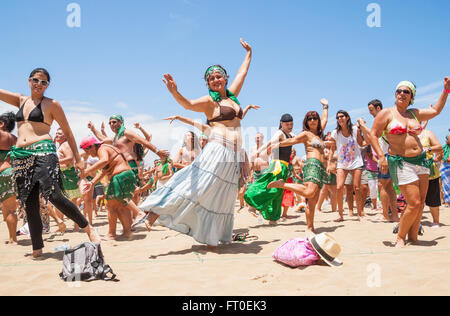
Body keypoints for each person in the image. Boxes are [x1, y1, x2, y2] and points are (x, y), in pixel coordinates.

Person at [134, 39, 253, 251]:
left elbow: (242, 74)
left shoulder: (233, 97)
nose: (215, 80)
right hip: (217, 148)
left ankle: (211, 237)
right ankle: (155, 211)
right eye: (211, 78)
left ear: (225, 79)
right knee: (197, 184)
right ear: (208, 84)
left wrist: (249, 53)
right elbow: (188, 104)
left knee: (221, 196)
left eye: (219, 76)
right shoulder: (210, 101)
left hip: (232, 155)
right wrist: (174, 92)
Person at [0, 68, 100, 258]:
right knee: (29, 204)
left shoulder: (52, 105)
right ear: (29, 81)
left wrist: (79, 160)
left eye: (44, 82)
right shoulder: (21, 100)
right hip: (21, 156)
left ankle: (87, 227)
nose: (39, 84)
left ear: (47, 85)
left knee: (53, 194)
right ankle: (37, 249)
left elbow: (68, 132)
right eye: (36, 80)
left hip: (43, 151)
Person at [368, 78, 449, 248]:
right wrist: (381, 157)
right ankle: (400, 237)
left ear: (411, 96)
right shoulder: (386, 114)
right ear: (395, 94)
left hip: (421, 162)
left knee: (420, 203)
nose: (402, 94)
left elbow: (436, 111)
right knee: (414, 202)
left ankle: (413, 237)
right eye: (399, 91)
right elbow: (373, 134)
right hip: (401, 162)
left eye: (406, 91)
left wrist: (446, 91)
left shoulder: (413, 113)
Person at [267, 101, 330, 234]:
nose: (313, 120)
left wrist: (325, 106)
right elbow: (290, 141)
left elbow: (324, 118)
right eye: (309, 119)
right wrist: (275, 144)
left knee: (312, 201)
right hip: (311, 164)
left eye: (315, 118)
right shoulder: (305, 134)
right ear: (306, 122)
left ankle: (310, 228)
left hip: (320, 168)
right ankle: (282, 184)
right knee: (308, 192)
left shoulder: (319, 134)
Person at [80, 136, 141, 240]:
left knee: (111, 206)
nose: (89, 154)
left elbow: (104, 160)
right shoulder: (107, 149)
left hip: (120, 176)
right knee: (121, 206)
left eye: (88, 150)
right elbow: (104, 171)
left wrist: (87, 170)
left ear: (92, 146)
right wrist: (92, 182)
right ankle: (127, 233)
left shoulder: (102, 148)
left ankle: (111, 234)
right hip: (126, 175)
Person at [244, 113, 295, 224]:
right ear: (281, 124)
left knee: (278, 192)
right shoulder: (280, 133)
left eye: (291, 124)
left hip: (284, 166)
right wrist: (259, 151)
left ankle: (273, 218)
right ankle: (252, 203)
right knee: (273, 189)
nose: (290, 126)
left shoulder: (291, 135)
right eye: (287, 124)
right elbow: (270, 142)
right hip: (278, 165)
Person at [359, 99, 399, 221]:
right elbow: (370, 139)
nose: (370, 113)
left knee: (383, 185)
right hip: (389, 155)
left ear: (378, 108)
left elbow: (374, 134)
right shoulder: (386, 118)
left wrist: (363, 125)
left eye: (371, 110)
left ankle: (386, 215)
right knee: (389, 187)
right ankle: (394, 215)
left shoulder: (383, 119)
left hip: (386, 155)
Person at [328, 110, 365, 222]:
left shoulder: (354, 130)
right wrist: (329, 163)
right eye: (338, 117)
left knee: (357, 188)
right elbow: (332, 148)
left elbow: (361, 143)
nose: (340, 119)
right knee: (339, 187)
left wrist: (371, 139)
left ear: (347, 117)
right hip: (342, 163)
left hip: (356, 162)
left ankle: (359, 214)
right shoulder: (336, 132)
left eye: (342, 116)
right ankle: (340, 214)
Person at [419, 127, 443, 227]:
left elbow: (439, 148)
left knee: (433, 197)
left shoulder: (427, 133)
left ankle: (436, 221)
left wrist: (428, 149)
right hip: (412, 171)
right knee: (416, 199)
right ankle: (415, 221)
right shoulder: (405, 134)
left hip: (430, 170)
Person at [0, 112, 18, 244]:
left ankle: (14, 238)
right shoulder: (15, 138)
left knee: (9, 209)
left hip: (3, 173)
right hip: (12, 172)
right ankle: (12, 238)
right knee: (7, 208)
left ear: (2, 124)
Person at [441, 134, 450, 207]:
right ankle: (447, 201)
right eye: (448, 139)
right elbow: (440, 157)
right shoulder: (443, 148)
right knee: (446, 184)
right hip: (445, 166)